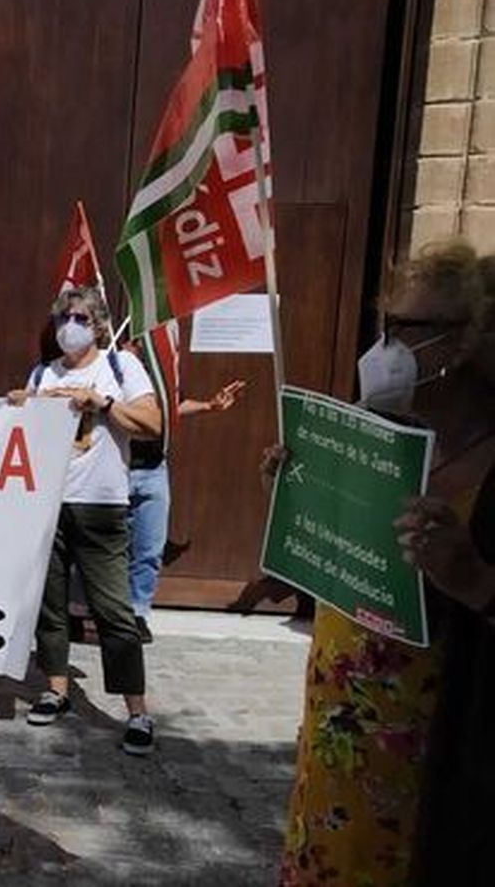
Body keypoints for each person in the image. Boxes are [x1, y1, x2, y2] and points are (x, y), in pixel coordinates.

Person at [272, 241, 495, 886]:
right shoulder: (372, 440)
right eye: (383, 327)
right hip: (341, 742)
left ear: (462, 342)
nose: (385, 349)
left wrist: (474, 581)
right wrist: (293, 507)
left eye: (405, 329)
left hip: (436, 759)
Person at [8, 285, 161, 756]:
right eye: (62, 318)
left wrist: (104, 404)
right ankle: (56, 688)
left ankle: (137, 711)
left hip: (101, 504)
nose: (68, 327)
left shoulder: (121, 366)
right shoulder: (44, 372)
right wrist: (17, 406)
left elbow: (152, 424)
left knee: (113, 611)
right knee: (50, 606)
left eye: (79, 318)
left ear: (98, 326)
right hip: (48, 505)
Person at [123, 340, 247, 642]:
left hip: (154, 468)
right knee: (105, 548)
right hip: (118, 467)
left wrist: (208, 406)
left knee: (150, 548)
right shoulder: (112, 368)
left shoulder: (158, 370)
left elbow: (172, 408)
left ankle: (138, 612)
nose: (140, 346)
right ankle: (87, 611)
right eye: (135, 341)